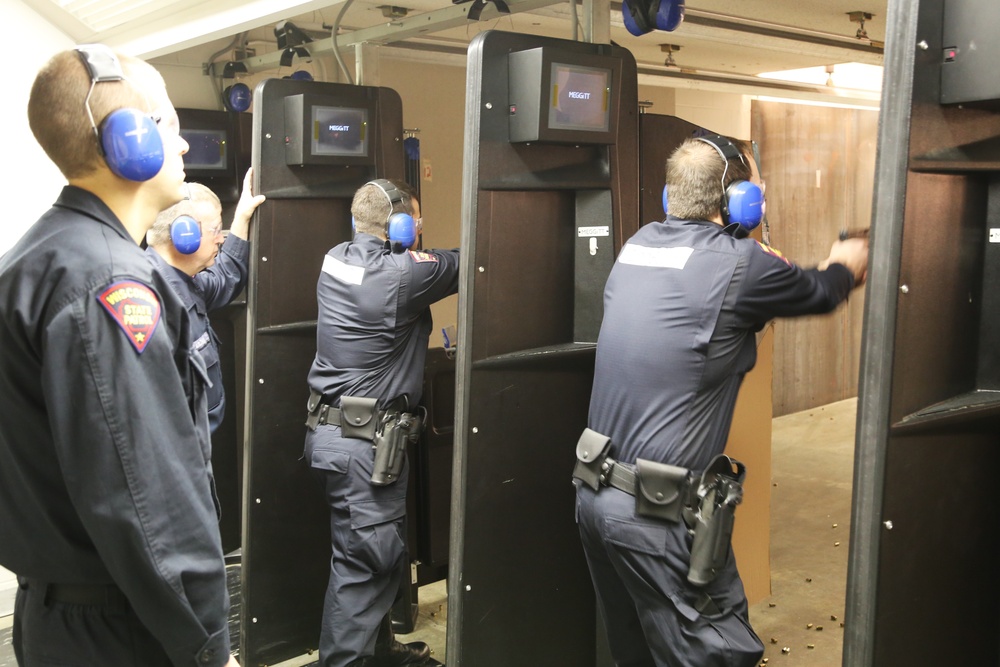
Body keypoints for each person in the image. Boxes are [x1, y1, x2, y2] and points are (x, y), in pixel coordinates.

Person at [573, 134, 868, 667]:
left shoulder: (637, 245)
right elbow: (822, 290)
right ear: (737, 200)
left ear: (672, 198)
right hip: (657, 516)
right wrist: (846, 261)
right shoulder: (742, 264)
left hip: (595, 496)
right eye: (755, 187)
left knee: (637, 649)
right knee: (715, 652)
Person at [0, 45, 239, 667]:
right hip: (127, 627)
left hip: (60, 618)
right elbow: (148, 497)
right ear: (128, 140)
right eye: (170, 126)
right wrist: (209, 644)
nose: (184, 147)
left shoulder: (35, 262)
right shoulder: (111, 284)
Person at [304, 179, 458, 667]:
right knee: (364, 566)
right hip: (363, 446)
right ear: (402, 225)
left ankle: (380, 652)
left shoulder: (336, 258)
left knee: (374, 552)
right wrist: (415, 245)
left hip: (337, 436)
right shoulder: (399, 276)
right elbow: (466, 258)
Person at [146, 171, 265, 432]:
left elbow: (225, 276)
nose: (220, 238)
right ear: (183, 234)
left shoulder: (184, 283)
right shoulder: (152, 306)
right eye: (214, 230)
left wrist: (243, 216)